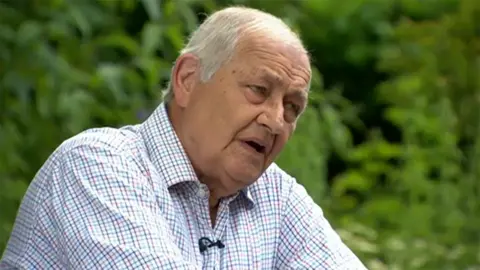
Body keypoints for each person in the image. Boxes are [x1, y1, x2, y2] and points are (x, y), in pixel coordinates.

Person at [0, 6, 367, 269]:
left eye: (292, 107)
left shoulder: (277, 197)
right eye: (258, 89)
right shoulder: (98, 164)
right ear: (188, 79)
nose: (275, 120)